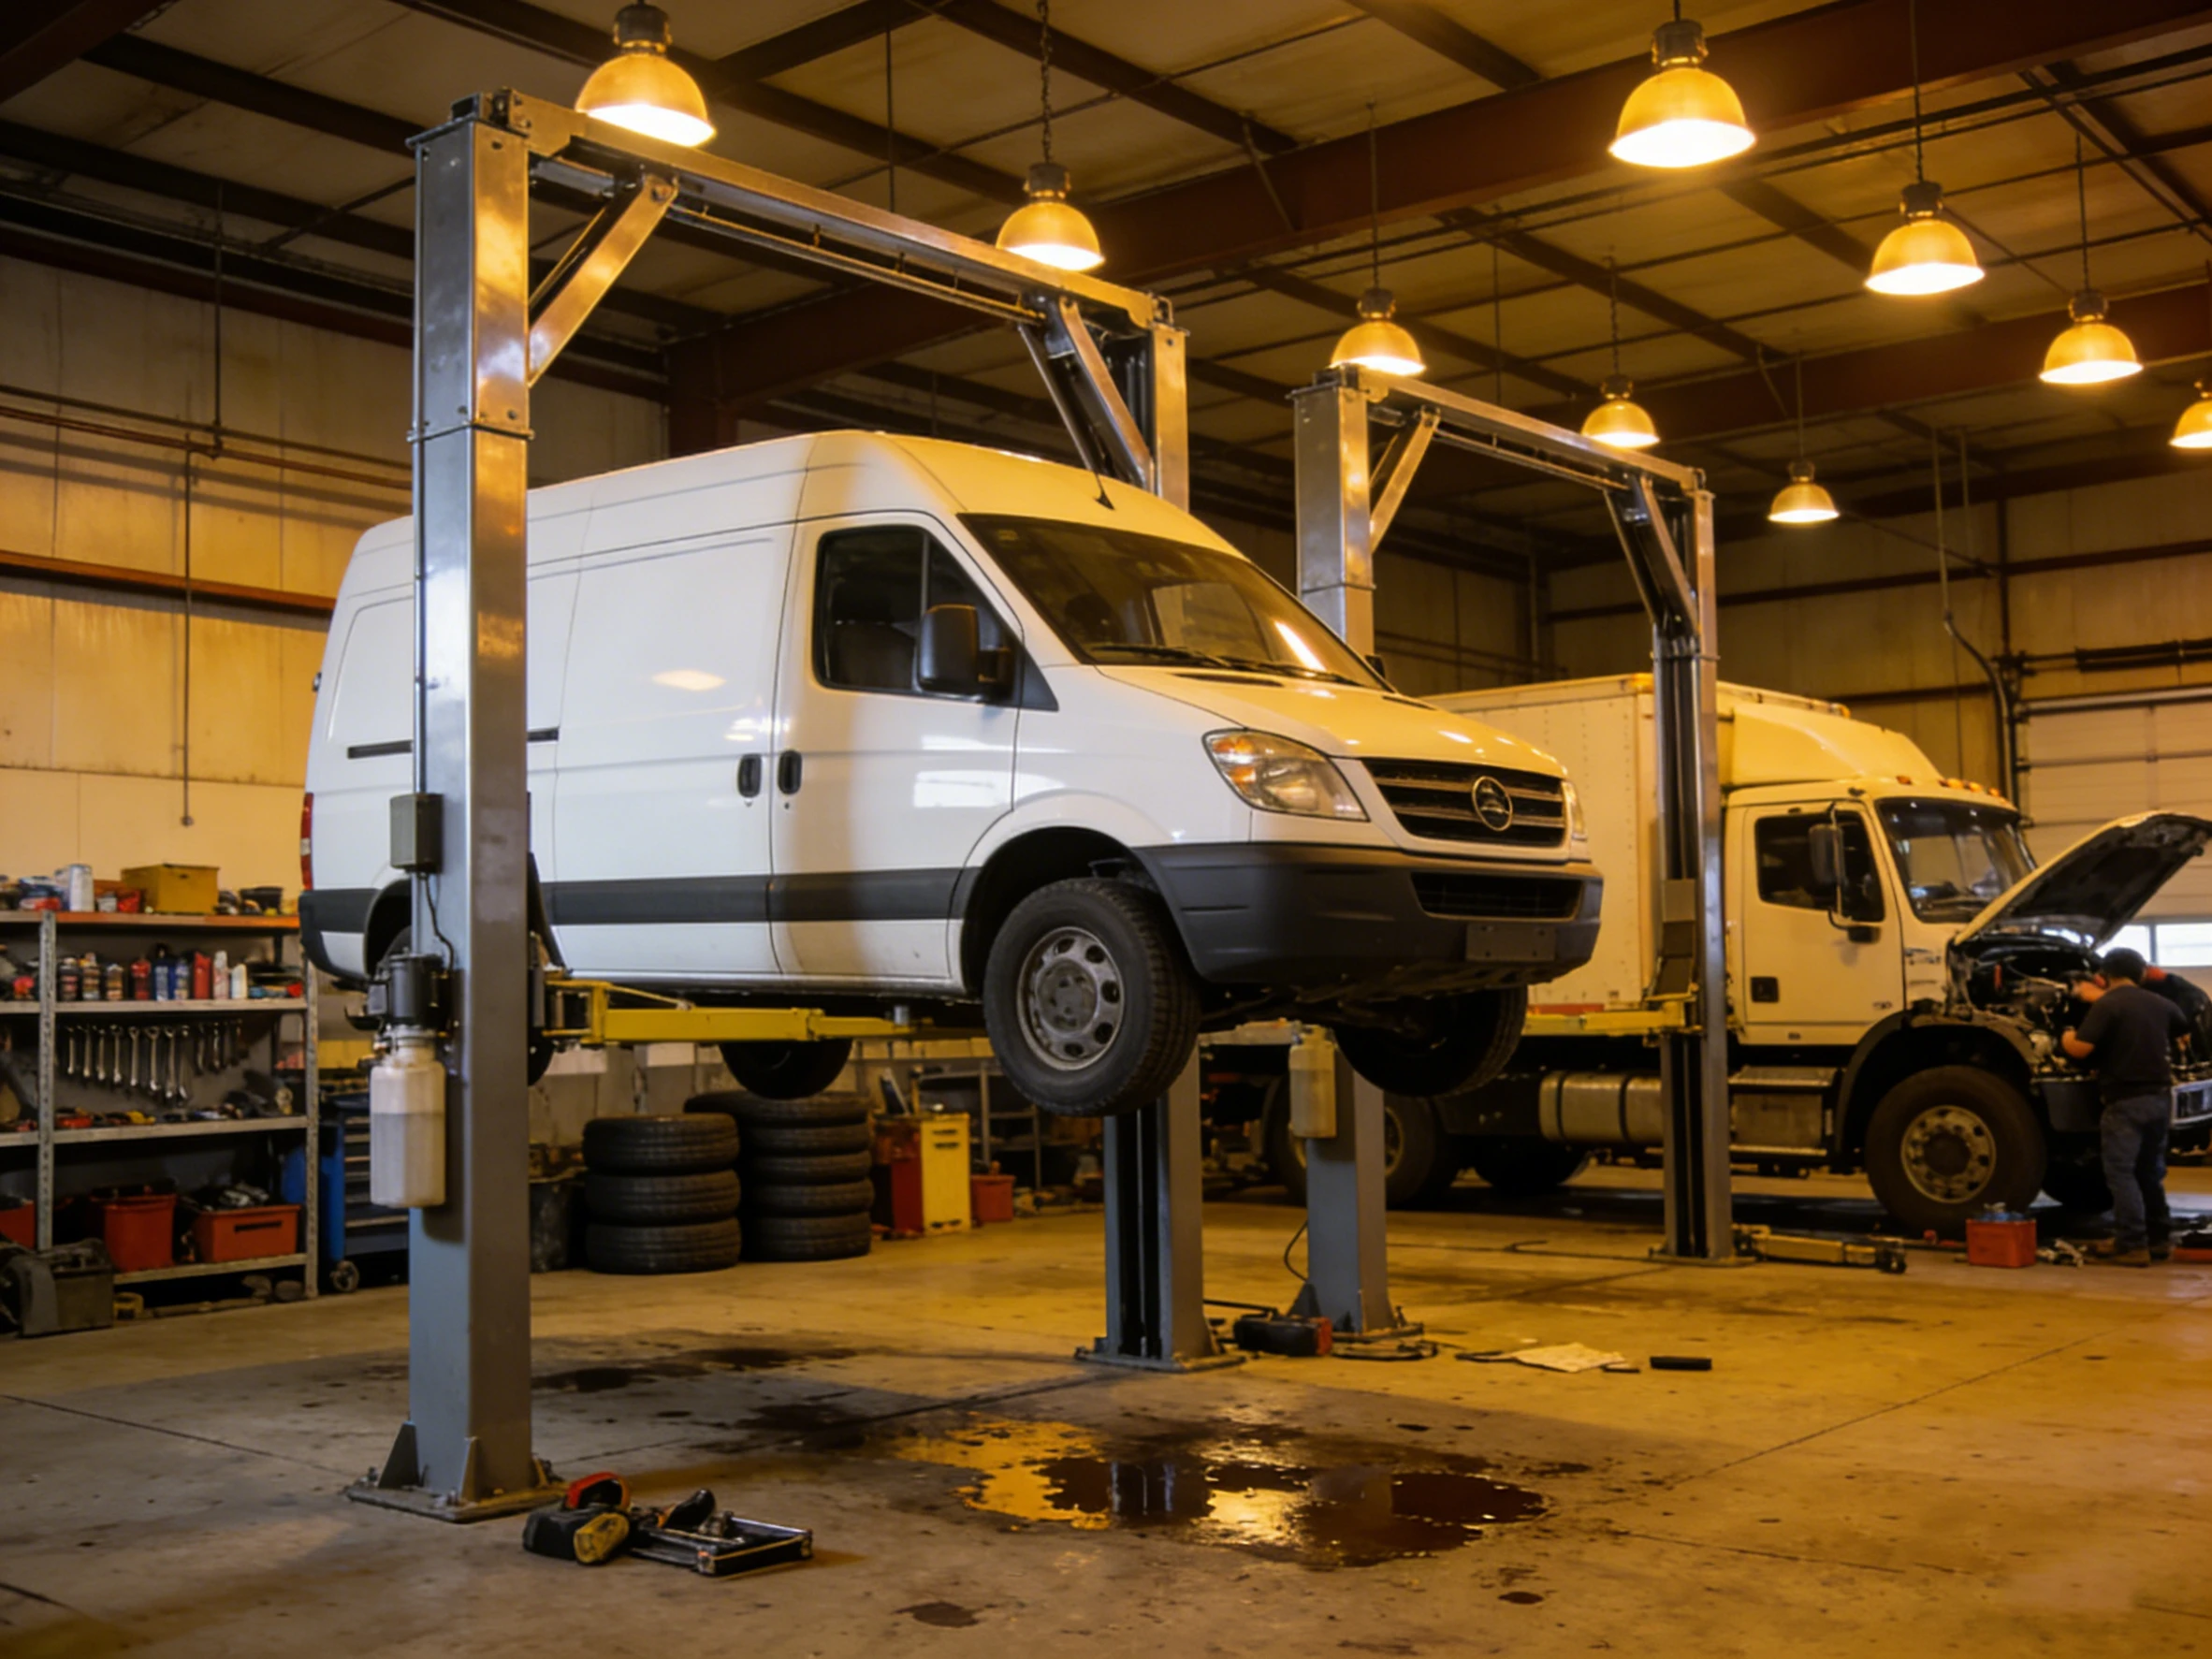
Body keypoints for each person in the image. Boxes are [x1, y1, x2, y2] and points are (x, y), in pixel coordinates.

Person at [2062, 947, 2188, 1266]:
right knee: (2149, 1172)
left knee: (2121, 1173)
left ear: (2103, 976)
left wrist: (2066, 1034)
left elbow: (2080, 1049)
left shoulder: (2107, 1005)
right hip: (2160, 1099)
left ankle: (2132, 1243)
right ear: (2142, 974)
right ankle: (2160, 1240)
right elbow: (2183, 1030)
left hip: (2125, 1102)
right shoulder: (2161, 1003)